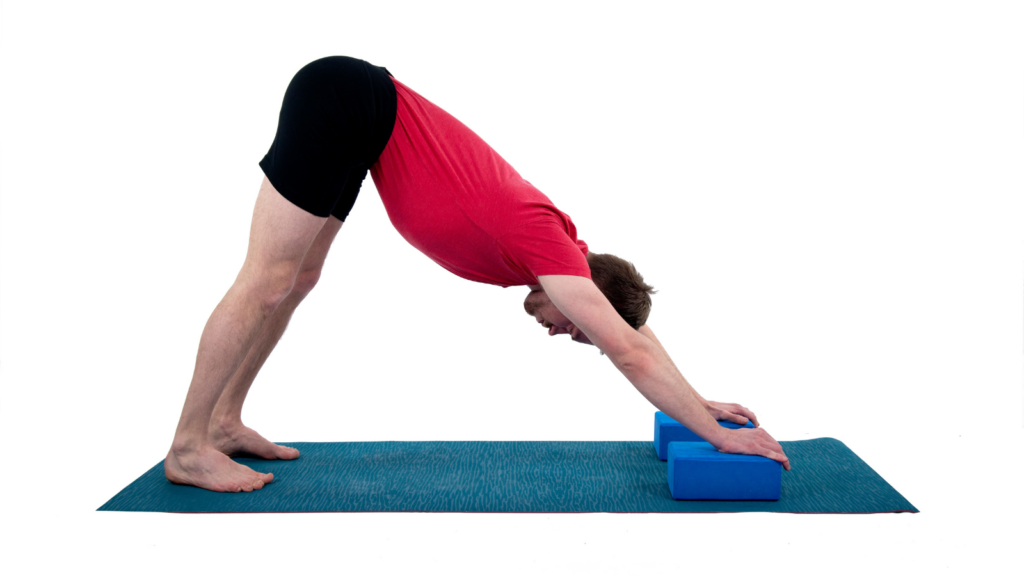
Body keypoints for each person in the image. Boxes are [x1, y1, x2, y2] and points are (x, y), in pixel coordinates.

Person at [164, 56, 791, 493]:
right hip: (346, 100)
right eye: (574, 330)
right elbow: (626, 350)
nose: (558, 333)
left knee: (297, 281)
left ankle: (224, 423)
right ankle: (189, 447)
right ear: (582, 293)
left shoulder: (568, 258)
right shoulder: (551, 251)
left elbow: (631, 330)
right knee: (267, 280)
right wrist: (718, 437)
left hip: (362, 128)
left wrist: (697, 404)